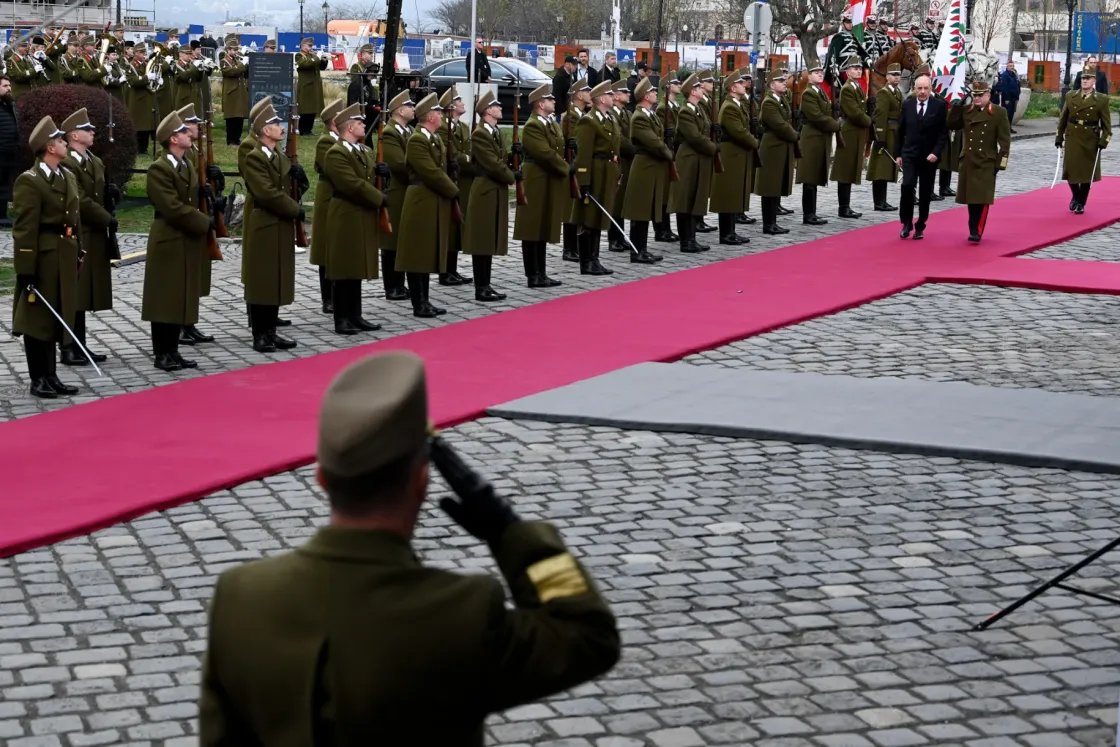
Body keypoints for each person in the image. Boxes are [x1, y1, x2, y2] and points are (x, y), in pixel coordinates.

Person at [198, 350, 621, 746]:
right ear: (421, 482)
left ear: (322, 478)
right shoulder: (461, 612)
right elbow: (588, 636)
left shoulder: (240, 597)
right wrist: (510, 532)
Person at [11, 116, 82, 398]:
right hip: (42, 258)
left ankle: (51, 375)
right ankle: (37, 377)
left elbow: (75, 219)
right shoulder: (30, 181)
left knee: (57, 316)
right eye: (60, 140)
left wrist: (80, 249)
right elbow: (24, 229)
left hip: (63, 254)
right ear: (49, 148)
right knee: (37, 319)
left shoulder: (67, 175)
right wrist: (26, 269)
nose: (65, 143)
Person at [142, 111, 211, 372]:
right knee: (164, 298)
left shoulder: (186, 164)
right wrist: (202, 222)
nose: (189, 134)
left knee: (179, 295)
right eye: (184, 131)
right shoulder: (159, 168)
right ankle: (162, 353)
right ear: (173, 138)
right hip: (168, 238)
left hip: (185, 237)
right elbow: (171, 207)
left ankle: (173, 351)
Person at [242, 105, 304, 352]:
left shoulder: (278, 156)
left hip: (280, 223)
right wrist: (295, 209)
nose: (282, 128)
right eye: (277, 124)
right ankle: (260, 334)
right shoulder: (255, 157)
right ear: (265, 130)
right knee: (262, 280)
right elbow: (266, 193)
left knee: (277, 276)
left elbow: (285, 187)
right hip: (265, 222)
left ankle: (271, 331)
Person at [322, 103, 386, 335]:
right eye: (359, 123)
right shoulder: (336, 152)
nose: (363, 125)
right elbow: (350, 183)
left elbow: (366, 180)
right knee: (343, 268)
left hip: (362, 212)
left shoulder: (363, 151)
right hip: (346, 213)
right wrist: (379, 198)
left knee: (356, 267)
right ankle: (342, 318)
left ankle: (355, 314)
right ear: (349, 127)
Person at [59, 107, 114, 367]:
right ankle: (68, 347)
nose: (93, 132)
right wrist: (106, 216)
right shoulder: (69, 161)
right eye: (87, 129)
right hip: (79, 232)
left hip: (93, 233)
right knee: (74, 293)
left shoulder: (92, 159)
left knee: (82, 294)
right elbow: (79, 199)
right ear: (73, 136)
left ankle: (79, 345)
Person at [397, 93, 458, 317]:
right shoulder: (417, 140)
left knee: (426, 252)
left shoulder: (434, 138)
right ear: (431, 116)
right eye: (439, 113)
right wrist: (453, 190)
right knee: (417, 253)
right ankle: (418, 303)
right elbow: (430, 172)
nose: (442, 116)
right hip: (421, 198)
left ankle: (425, 299)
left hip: (433, 197)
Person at [512, 82, 567, 287]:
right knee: (531, 227)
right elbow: (544, 152)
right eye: (550, 99)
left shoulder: (550, 123)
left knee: (542, 225)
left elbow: (557, 148)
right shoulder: (533, 125)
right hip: (536, 178)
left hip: (548, 177)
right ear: (540, 104)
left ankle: (541, 272)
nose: (554, 101)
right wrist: (565, 168)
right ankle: (532, 275)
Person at [464, 91, 516, 302]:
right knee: (482, 240)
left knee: (490, 238)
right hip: (485, 188)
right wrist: (511, 176)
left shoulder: (495, 132)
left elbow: (500, 159)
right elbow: (491, 163)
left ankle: (486, 284)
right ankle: (481, 287)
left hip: (495, 188)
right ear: (487, 111)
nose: (501, 108)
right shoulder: (480, 134)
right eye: (497, 106)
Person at [947, 80, 1010, 242]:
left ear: (988, 95)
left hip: (986, 161)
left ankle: (977, 230)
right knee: (971, 198)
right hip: (968, 160)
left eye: (980, 95)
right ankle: (972, 226)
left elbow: (1004, 141)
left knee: (982, 199)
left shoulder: (998, 112)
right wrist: (957, 105)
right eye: (974, 95)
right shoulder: (967, 111)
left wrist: (999, 164)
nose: (977, 98)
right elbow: (951, 124)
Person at [572, 80, 619, 274]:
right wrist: (583, 181)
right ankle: (587, 262)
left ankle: (595, 258)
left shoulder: (610, 119)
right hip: (594, 171)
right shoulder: (588, 121)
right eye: (609, 95)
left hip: (607, 172)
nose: (613, 97)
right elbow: (583, 153)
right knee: (588, 217)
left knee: (600, 216)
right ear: (600, 99)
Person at [621, 77, 669, 264]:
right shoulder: (639, 117)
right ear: (646, 96)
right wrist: (667, 153)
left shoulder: (650, 115)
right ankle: (636, 250)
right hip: (644, 165)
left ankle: (643, 248)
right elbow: (654, 142)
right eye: (653, 92)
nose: (656, 94)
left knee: (646, 209)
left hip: (652, 165)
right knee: (639, 210)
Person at [894, 72, 948, 240]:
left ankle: (920, 225)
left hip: (928, 157)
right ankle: (906, 223)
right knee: (907, 187)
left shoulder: (938, 106)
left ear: (930, 88)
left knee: (925, 193)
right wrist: (898, 154)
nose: (922, 92)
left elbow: (942, 133)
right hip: (909, 155)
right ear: (914, 89)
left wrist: (935, 153)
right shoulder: (908, 105)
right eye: (919, 88)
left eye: (925, 88)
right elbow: (900, 131)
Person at [667, 73, 715, 253]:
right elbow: (694, 136)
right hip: (688, 158)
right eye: (699, 88)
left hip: (699, 158)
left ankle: (692, 238)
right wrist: (713, 148)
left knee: (695, 197)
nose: (702, 90)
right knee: (685, 199)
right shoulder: (686, 110)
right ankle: (686, 241)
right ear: (693, 92)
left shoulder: (698, 109)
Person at [1056, 65, 1111, 214]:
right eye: (1082, 78)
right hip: (1073, 136)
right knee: (1070, 169)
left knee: (1087, 172)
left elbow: (1107, 126)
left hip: (1090, 139)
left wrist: (1103, 141)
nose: (1084, 81)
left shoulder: (1101, 99)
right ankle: (1075, 194)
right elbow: (1063, 118)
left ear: (1094, 81)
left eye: (1087, 78)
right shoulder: (1071, 96)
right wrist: (1059, 136)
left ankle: (1081, 202)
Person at [709, 70, 755, 243]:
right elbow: (739, 132)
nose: (745, 85)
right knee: (728, 193)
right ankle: (726, 233)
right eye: (741, 83)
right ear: (733, 87)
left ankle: (731, 231)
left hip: (737, 153)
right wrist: (755, 143)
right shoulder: (729, 107)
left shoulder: (737, 104)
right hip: (731, 154)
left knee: (734, 192)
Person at [378, 91, 415, 302]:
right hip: (396, 190)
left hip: (407, 190)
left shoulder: (408, 131)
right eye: (409, 106)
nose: (413, 108)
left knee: (404, 239)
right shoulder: (390, 133)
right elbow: (399, 164)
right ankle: (392, 286)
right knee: (392, 242)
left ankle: (401, 284)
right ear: (400, 110)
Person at [437, 87, 474, 287]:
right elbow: (453, 155)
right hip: (451, 179)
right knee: (450, 227)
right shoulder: (444, 127)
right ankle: (445, 271)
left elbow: (465, 150)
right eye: (459, 101)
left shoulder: (463, 127)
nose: (463, 103)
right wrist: (470, 159)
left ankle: (452, 269)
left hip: (463, 180)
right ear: (451, 107)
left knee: (458, 225)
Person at [310, 98, 344, 315]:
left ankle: (338, 294)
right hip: (328, 199)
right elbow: (332, 170)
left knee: (337, 247)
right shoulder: (326, 141)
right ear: (334, 121)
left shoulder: (340, 140)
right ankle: (328, 298)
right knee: (326, 249)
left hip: (337, 199)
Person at [795, 64, 838, 227]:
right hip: (812, 138)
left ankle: (812, 212)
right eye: (816, 72)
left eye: (821, 72)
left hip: (819, 138)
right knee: (809, 177)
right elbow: (816, 116)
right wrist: (835, 125)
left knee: (814, 177)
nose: (820, 74)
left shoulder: (819, 92)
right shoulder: (808, 93)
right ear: (809, 76)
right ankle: (808, 214)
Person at [756, 69, 798, 235]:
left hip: (780, 146)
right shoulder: (769, 102)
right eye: (780, 81)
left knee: (775, 185)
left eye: (783, 81)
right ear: (772, 85)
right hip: (772, 147)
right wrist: (795, 135)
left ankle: (773, 222)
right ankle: (768, 224)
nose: (784, 83)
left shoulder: (780, 100)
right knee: (769, 186)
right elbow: (779, 124)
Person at [831, 57, 870, 219]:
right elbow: (854, 112)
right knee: (845, 171)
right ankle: (843, 207)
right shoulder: (848, 89)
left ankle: (846, 206)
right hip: (849, 132)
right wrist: (869, 121)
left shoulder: (857, 87)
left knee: (850, 169)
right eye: (854, 68)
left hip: (856, 132)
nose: (858, 70)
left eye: (859, 68)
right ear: (847, 72)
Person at [560, 78, 592, 263]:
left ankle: (575, 246)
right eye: (587, 91)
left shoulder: (580, 114)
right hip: (573, 164)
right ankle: (569, 248)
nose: (590, 94)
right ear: (579, 94)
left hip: (580, 164)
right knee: (571, 207)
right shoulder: (571, 116)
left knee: (577, 206)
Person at [867, 63, 903, 212]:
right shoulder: (884, 93)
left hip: (894, 132)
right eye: (893, 74)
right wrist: (880, 136)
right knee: (881, 169)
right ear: (887, 77)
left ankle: (883, 200)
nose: (896, 77)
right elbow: (880, 116)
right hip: (886, 133)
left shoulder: (897, 92)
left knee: (887, 168)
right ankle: (878, 202)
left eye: (898, 74)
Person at [654, 72, 682, 242]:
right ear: (668, 86)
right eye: (676, 83)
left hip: (674, 152)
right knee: (663, 194)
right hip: (666, 153)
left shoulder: (675, 106)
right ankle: (661, 229)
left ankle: (667, 228)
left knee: (669, 193)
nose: (679, 85)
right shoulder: (663, 108)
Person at [607, 79, 634, 253]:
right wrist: (636, 149)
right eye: (625, 92)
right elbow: (620, 140)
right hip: (619, 160)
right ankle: (613, 239)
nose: (628, 94)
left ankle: (621, 236)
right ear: (616, 95)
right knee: (615, 201)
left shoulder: (627, 114)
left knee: (623, 199)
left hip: (628, 161)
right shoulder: (613, 115)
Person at [296, 37, 329, 136]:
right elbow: (305, 65)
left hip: (314, 86)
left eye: (311, 46)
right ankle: (303, 130)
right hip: (306, 86)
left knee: (312, 109)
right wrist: (316, 58)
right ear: (303, 46)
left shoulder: (312, 56)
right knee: (305, 109)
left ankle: (309, 130)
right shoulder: (299, 55)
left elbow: (320, 67)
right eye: (309, 45)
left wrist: (324, 60)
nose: (311, 48)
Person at [220, 35, 249, 145]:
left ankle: (237, 139)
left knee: (239, 117)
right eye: (234, 49)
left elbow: (244, 74)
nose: (236, 52)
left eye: (237, 49)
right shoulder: (224, 61)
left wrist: (247, 65)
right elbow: (231, 72)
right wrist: (243, 64)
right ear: (228, 50)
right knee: (232, 117)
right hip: (231, 93)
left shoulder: (237, 60)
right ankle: (231, 139)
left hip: (240, 92)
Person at [0, 76, 17, 225]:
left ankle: (2, 215)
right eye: (5, 86)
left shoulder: (8, 105)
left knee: (5, 185)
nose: (9, 88)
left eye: (9, 85)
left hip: (8, 151)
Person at [993, 60, 1020, 133]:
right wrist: (1007, 98)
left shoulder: (1014, 75)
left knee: (1011, 114)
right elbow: (1005, 88)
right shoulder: (1005, 75)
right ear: (1007, 66)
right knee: (1007, 114)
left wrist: (1017, 97)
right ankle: (1005, 129)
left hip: (1014, 98)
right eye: (1010, 66)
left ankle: (1009, 127)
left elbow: (1017, 86)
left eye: (1013, 66)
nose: (1012, 67)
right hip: (1008, 98)